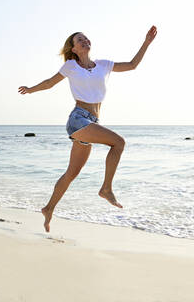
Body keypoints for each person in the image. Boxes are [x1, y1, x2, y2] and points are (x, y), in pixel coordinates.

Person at [18, 26, 157, 232]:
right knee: (118, 142)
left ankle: (48, 209)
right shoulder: (70, 66)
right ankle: (106, 189)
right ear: (73, 49)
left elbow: (132, 65)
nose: (84, 41)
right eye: (79, 40)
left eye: (85, 38)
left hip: (92, 122)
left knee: (71, 173)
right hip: (78, 120)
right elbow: (49, 83)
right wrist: (31, 90)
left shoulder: (103, 65)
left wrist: (146, 42)